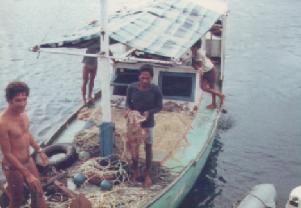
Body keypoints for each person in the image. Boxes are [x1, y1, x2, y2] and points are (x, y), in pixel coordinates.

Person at [0, 81, 49, 208]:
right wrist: (27, 174)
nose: (22, 104)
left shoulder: (24, 114)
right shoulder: (3, 123)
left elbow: (26, 134)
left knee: (38, 193)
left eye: (24, 99)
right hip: (13, 167)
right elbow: (7, 153)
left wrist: (39, 150)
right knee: (17, 201)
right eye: (18, 100)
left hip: (28, 160)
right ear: (9, 100)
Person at [125, 64, 163, 187]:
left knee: (148, 146)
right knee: (134, 146)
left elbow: (159, 107)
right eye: (142, 78)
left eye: (147, 78)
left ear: (151, 78)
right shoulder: (131, 87)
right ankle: (135, 170)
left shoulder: (155, 89)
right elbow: (128, 102)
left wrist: (149, 112)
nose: (145, 81)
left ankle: (147, 172)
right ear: (139, 77)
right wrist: (128, 110)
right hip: (134, 123)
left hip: (148, 123)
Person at [191, 40, 225, 109]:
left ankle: (217, 99)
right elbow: (195, 64)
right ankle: (218, 98)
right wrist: (194, 64)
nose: (190, 48)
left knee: (210, 87)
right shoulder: (195, 52)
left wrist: (195, 65)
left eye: (192, 47)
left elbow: (199, 67)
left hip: (210, 70)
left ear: (195, 47)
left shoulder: (198, 53)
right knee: (203, 87)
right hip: (206, 70)